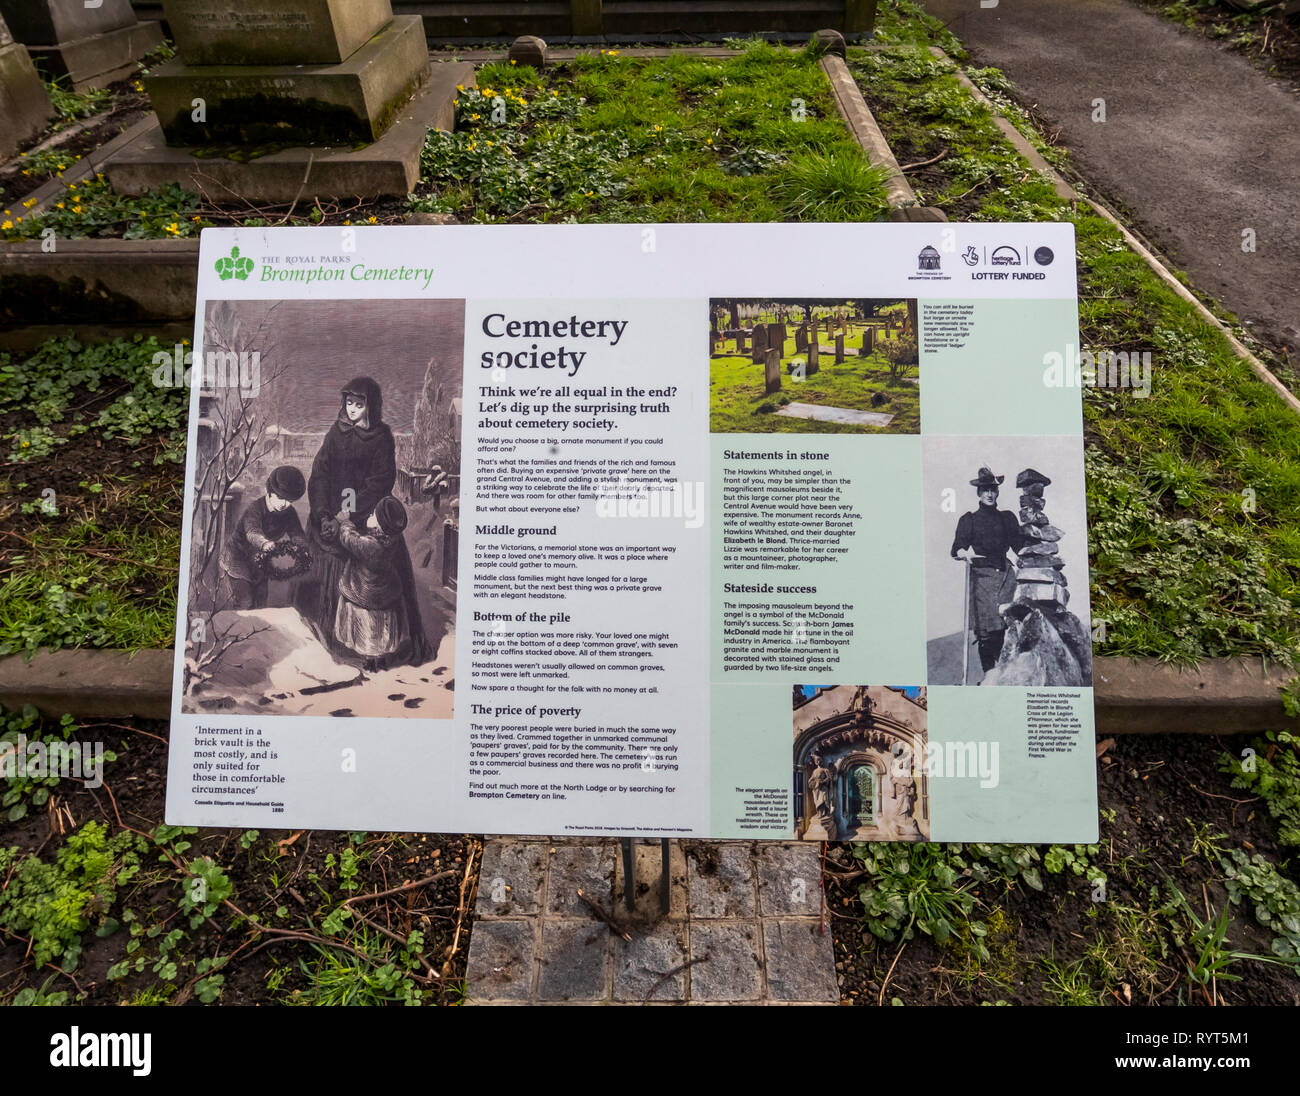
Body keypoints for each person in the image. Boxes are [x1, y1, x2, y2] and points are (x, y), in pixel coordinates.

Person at [300, 377, 397, 652]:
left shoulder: (382, 438)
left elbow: (378, 483)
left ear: (371, 406)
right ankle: (318, 636)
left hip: (361, 517)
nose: (352, 409)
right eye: (349, 403)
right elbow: (320, 474)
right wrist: (322, 514)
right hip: (327, 515)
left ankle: (352, 643)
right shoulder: (336, 432)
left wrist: (344, 515)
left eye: (359, 404)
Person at [333, 495, 431, 672]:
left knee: (367, 632)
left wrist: (345, 522)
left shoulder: (371, 546)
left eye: (373, 515)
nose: (369, 515)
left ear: (379, 526)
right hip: (384, 594)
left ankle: (370, 662)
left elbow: (349, 539)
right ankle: (379, 660)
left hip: (365, 594)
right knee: (379, 632)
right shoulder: (391, 540)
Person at [950, 466, 1026, 675]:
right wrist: (963, 553)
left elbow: (1019, 546)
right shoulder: (969, 520)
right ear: (979, 493)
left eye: (993, 490)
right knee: (987, 631)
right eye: (985, 490)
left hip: (1006, 578)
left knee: (1008, 627)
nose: (989, 494)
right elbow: (957, 548)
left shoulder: (1007, 518)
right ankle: (990, 675)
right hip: (982, 578)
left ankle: (1008, 675)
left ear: (997, 491)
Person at [222, 465, 306, 610]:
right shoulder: (255, 509)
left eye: (289, 501)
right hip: (237, 559)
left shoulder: (289, 513)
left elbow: (297, 534)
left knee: (261, 603)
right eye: (280, 497)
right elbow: (252, 532)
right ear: (269, 491)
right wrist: (264, 543)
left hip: (260, 563)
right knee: (244, 602)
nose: (284, 504)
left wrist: (302, 547)